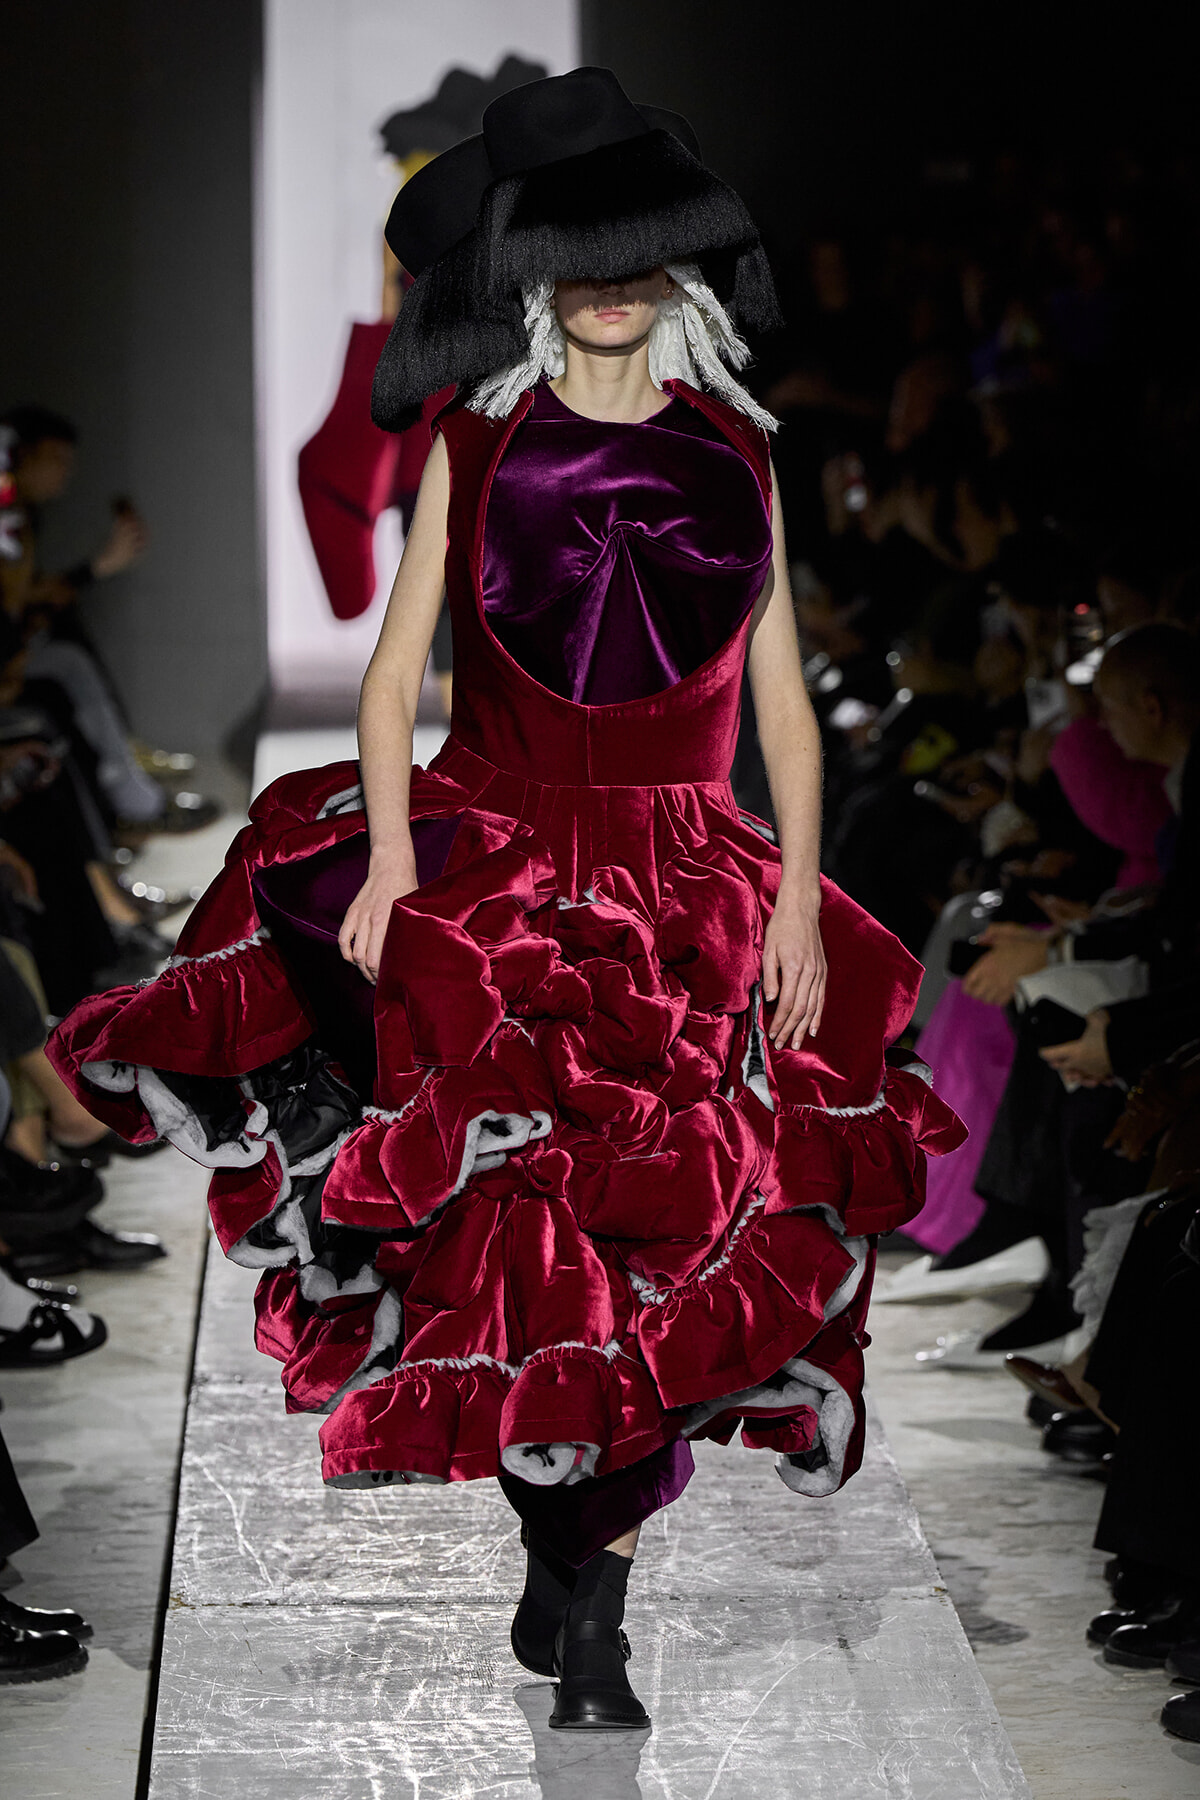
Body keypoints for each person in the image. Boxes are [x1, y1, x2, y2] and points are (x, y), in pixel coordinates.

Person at [47, 68, 963, 1732]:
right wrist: (398, 856)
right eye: (577, 252)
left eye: (635, 252)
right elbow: (394, 671)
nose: (608, 282)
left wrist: (799, 899)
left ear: (678, 268)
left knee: (667, 1235)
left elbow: (783, 706)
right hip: (505, 876)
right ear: (534, 269)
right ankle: (574, 1569)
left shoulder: (741, 455)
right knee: (524, 1238)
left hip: (690, 886)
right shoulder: (475, 442)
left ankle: (589, 1601)